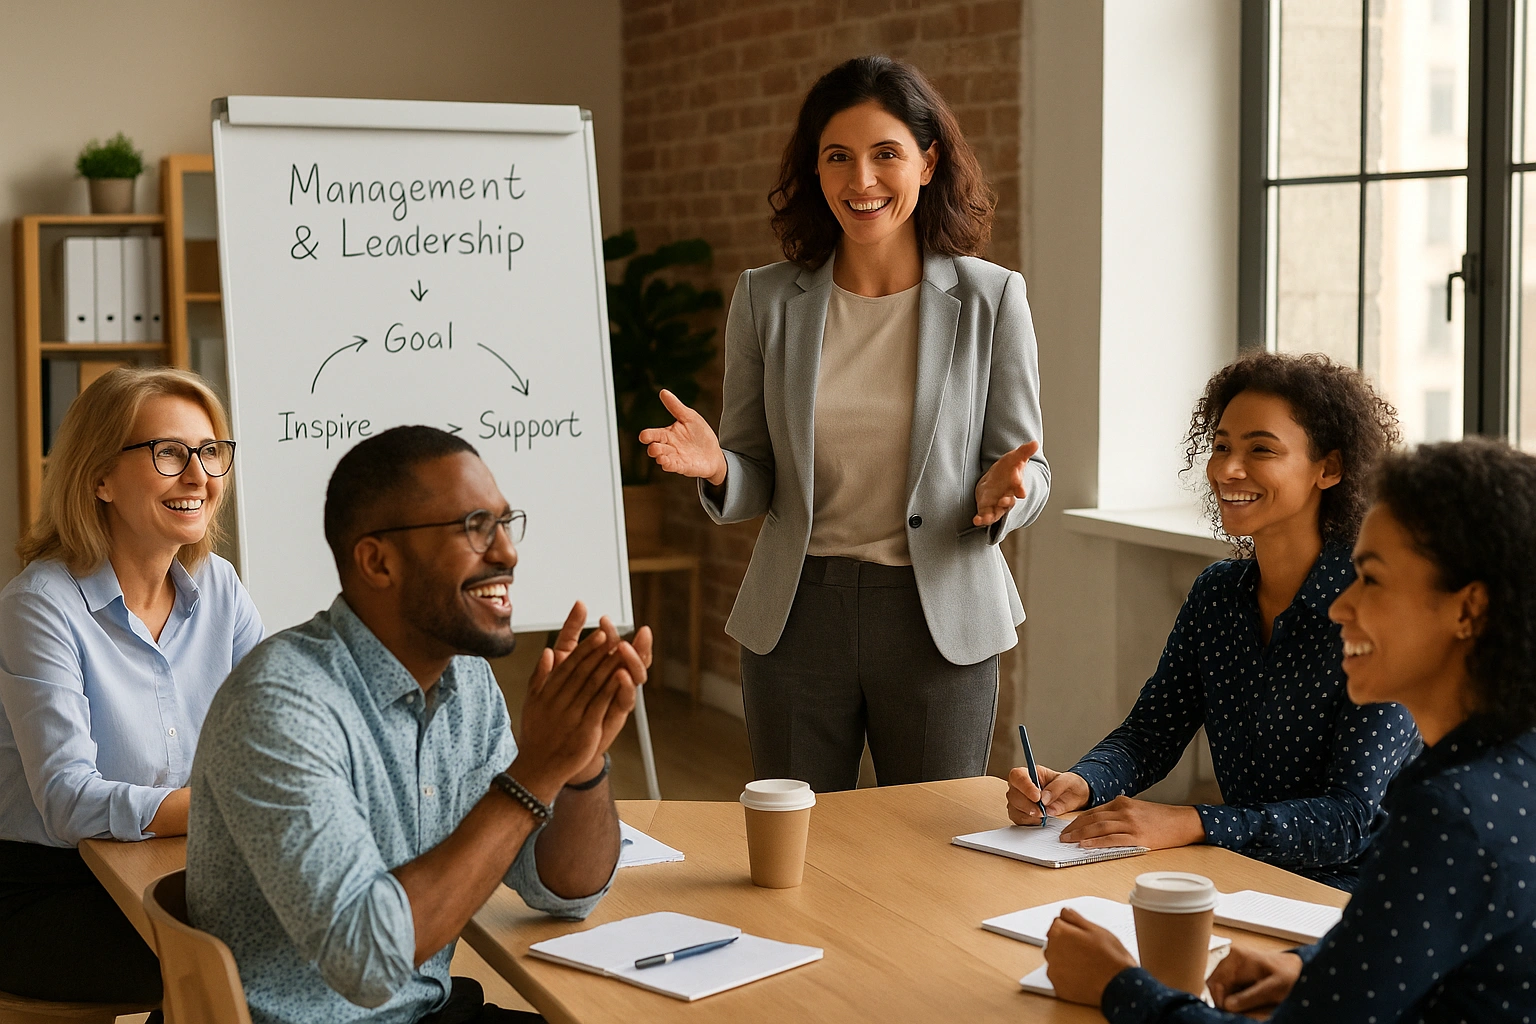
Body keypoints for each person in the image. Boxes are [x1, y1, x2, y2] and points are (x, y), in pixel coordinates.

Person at [639, 54, 1050, 792]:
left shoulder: (993, 299)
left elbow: (1028, 464)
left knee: (932, 856)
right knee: (795, 858)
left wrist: (1007, 493)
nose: (861, 181)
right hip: (797, 616)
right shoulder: (765, 301)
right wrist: (718, 468)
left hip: (940, 618)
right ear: (816, 172)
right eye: (838, 158)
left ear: (927, 162)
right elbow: (755, 469)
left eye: (885, 154)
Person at [1043, 437, 1536, 1021]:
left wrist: (1117, 985)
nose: (1339, 607)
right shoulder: (1503, 768)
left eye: (1371, 580)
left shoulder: (1449, 813)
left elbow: (1358, 822)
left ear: (1467, 610)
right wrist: (1312, 965)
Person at [186, 425, 650, 1024]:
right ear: (379, 561)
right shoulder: (279, 704)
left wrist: (579, 760)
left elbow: (562, 890)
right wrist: (533, 775)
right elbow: (369, 964)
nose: (506, 551)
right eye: (474, 528)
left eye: (506, 524)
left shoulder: (469, 682)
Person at [1007, 353, 1419, 889]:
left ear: (1330, 469)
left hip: (1361, 893)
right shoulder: (1218, 594)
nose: (1226, 469)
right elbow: (1150, 732)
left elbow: (1348, 819)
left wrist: (1191, 821)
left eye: (1260, 450)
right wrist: (1083, 783)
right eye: (1222, 446)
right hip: (1243, 873)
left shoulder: (1381, 614)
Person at [0, 366, 261, 1004]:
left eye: (210, 452)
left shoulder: (220, 587)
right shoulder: (40, 605)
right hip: (49, 891)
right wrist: (235, 810)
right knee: (239, 959)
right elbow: (68, 801)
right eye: (168, 453)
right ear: (100, 477)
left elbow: (282, 736)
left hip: (181, 870)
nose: (199, 475)